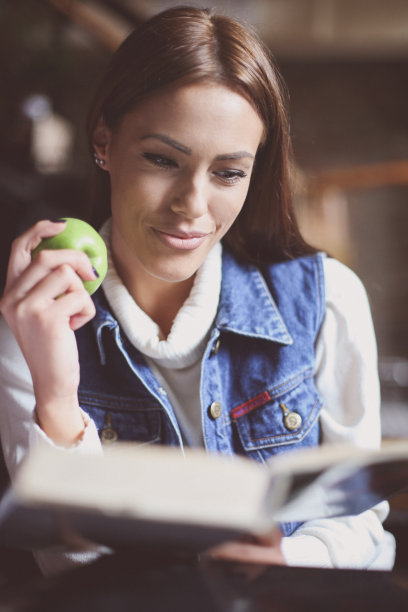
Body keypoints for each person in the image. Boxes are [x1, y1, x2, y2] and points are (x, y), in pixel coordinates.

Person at [0, 6, 395, 576]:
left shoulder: (328, 299)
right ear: (104, 141)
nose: (192, 206)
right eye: (162, 159)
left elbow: (362, 525)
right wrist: (59, 401)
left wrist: (286, 558)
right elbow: (70, 571)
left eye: (228, 172)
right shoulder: (36, 324)